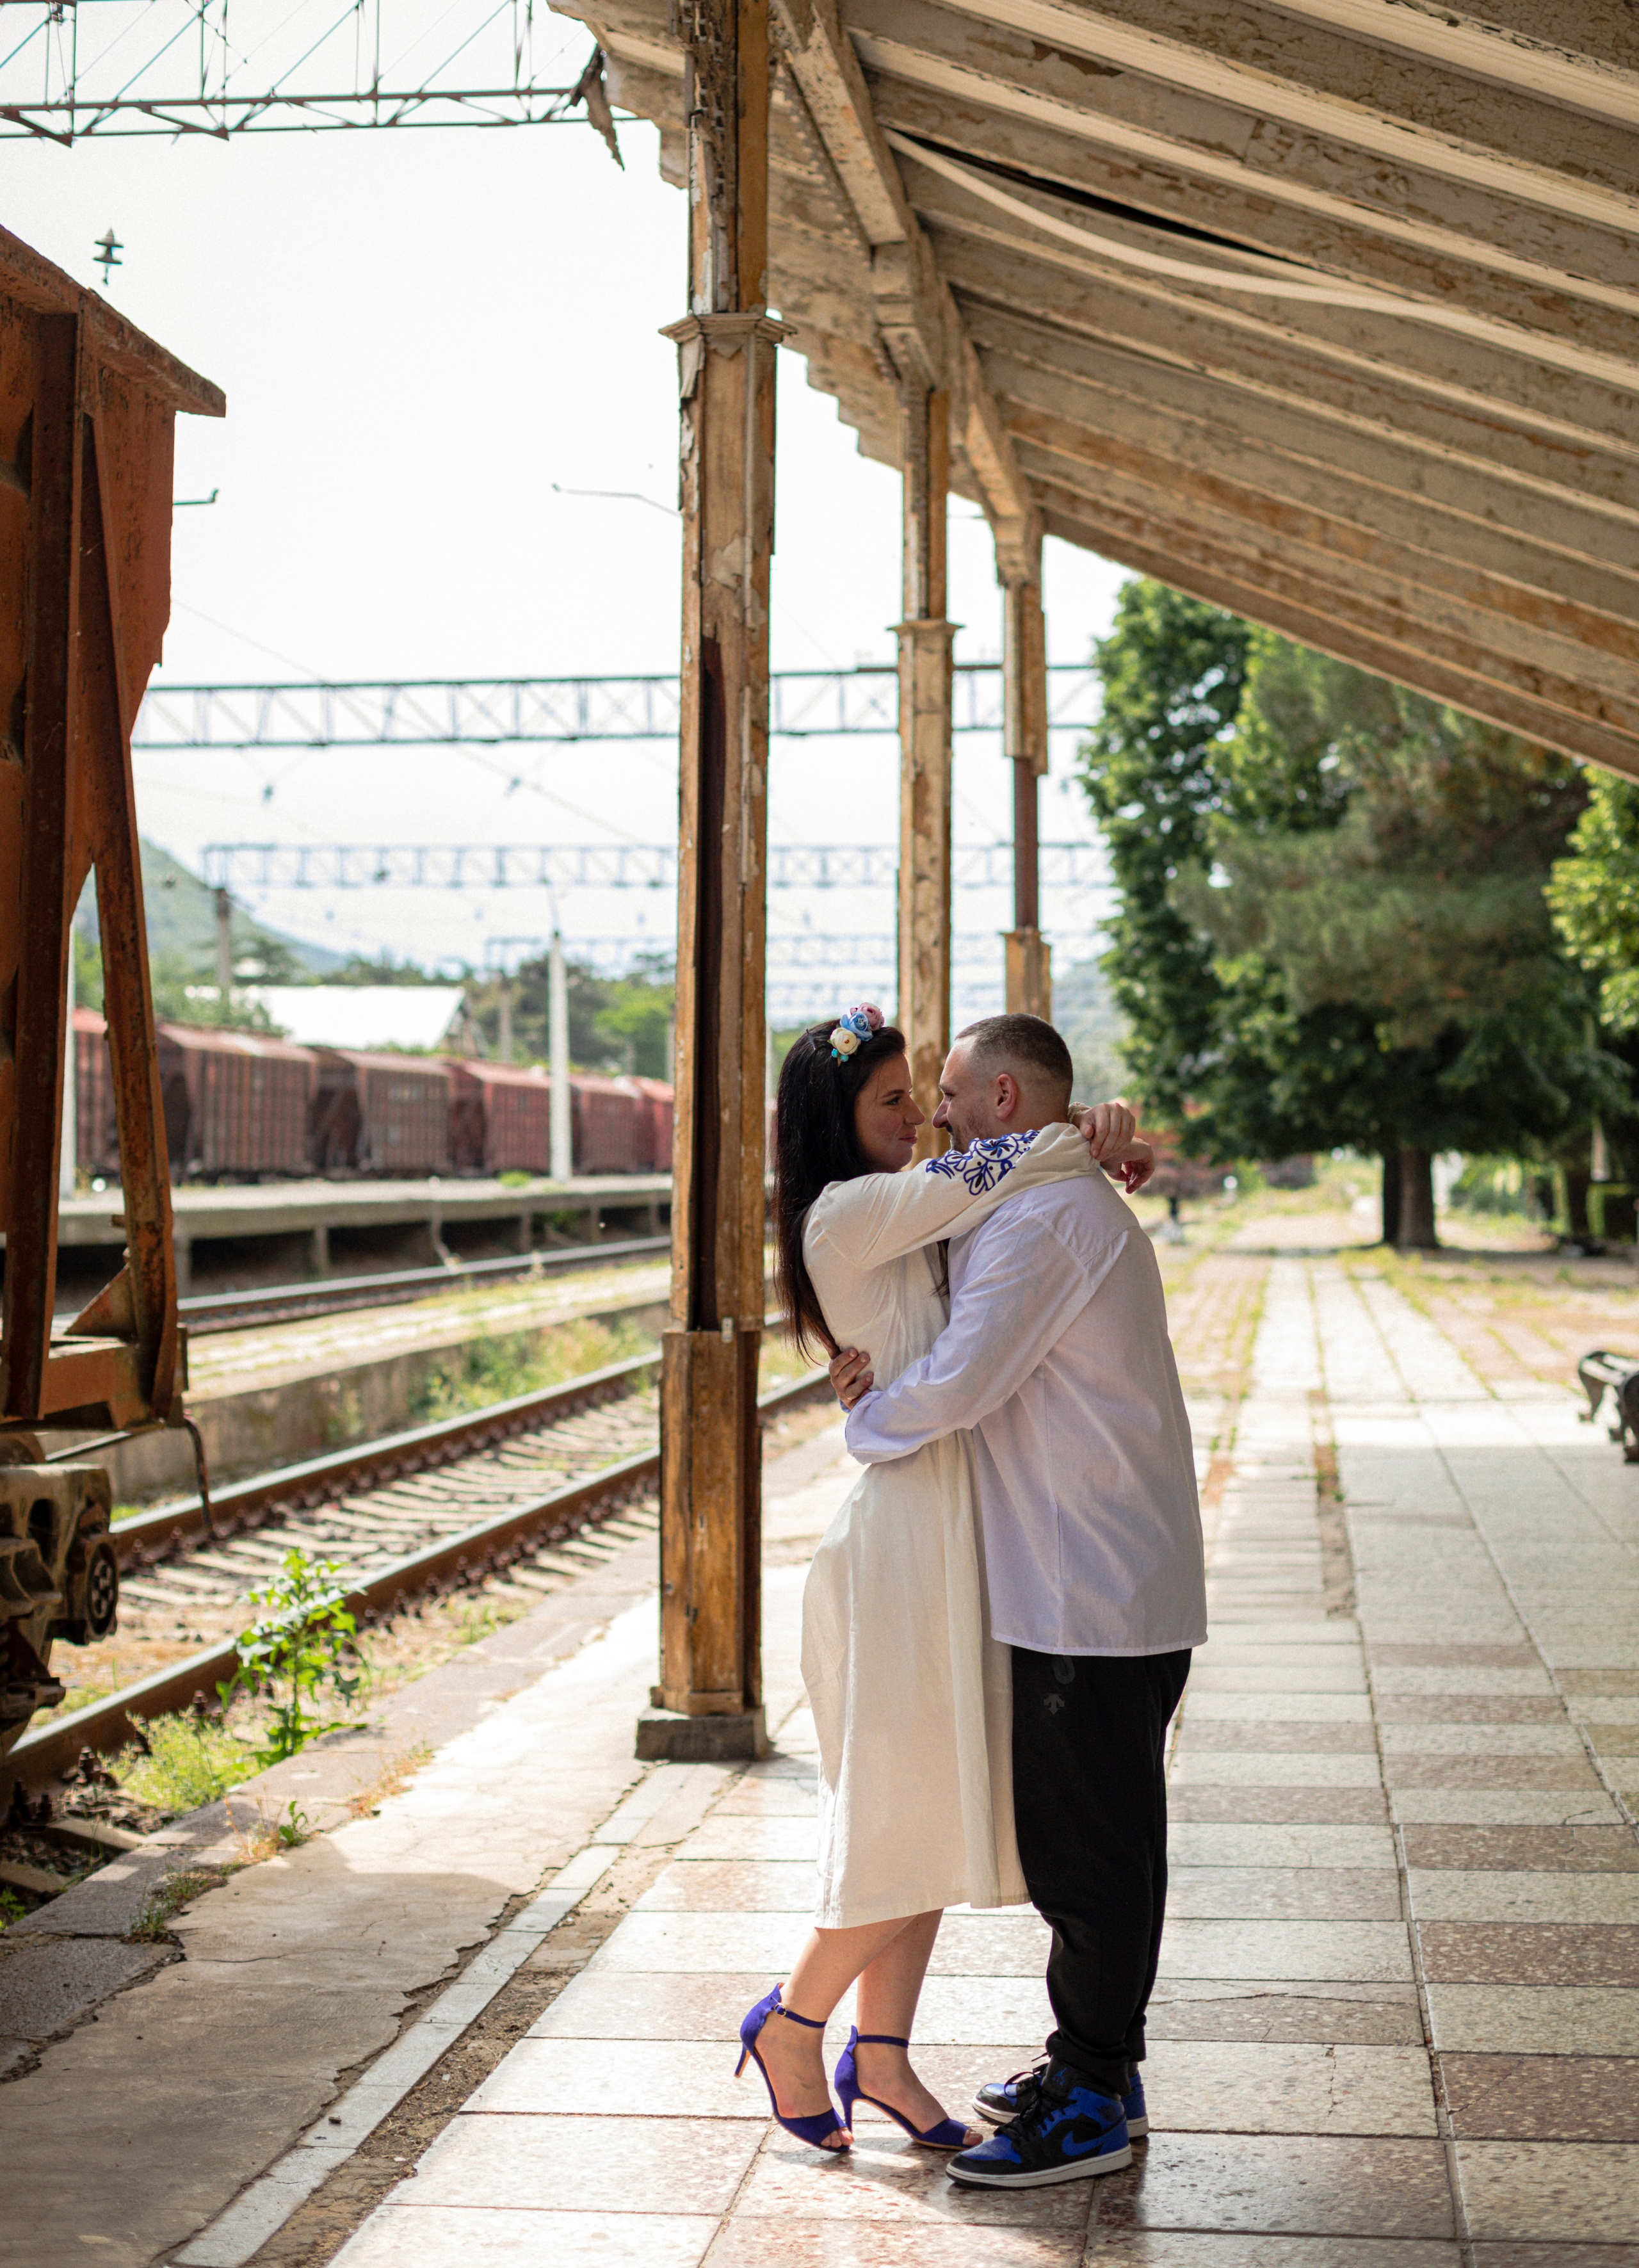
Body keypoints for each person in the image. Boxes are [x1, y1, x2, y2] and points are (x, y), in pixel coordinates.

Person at [736, 1004, 1152, 2157]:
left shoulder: (907, 1202)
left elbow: (1018, 1173)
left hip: (952, 1521)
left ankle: (883, 2059)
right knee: (896, 1813)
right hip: (907, 1531)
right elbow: (1021, 1151)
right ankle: (794, 2019)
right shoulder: (850, 1209)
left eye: (919, 1094)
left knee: (928, 1809)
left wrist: (1097, 1134)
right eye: (891, 1100)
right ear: (838, 1120)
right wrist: (1090, 1127)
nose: (917, 1114)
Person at [831, 1012, 1206, 2191]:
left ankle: (1092, 2096)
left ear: (1003, 1097)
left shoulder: (1047, 1215)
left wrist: (862, 1419)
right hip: (1091, 1579)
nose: (935, 1113)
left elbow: (964, 1378)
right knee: (1097, 1839)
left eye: (945, 1091)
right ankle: (1094, 2062)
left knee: (1091, 1855)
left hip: (1084, 1587)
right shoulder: (1037, 1196)